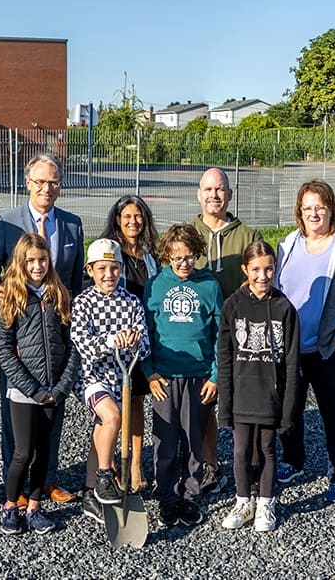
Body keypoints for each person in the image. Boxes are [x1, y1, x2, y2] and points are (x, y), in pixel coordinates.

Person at [0, 153, 84, 504]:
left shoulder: (72, 226)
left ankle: (47, 479)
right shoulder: (7, 222)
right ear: (28, 183)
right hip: (21, 334)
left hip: (56, 334)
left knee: (54, 408)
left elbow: (75, 280)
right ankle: (18, 482)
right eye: (40, 182)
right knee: (17, 411)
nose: (47, 188)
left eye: (53, 182)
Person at [274, 179, 335, 504]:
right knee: (289, 411)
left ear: (330, 209)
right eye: (307, 208)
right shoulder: (288, 244)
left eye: (320, 207)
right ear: (299, 213)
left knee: (333, 412)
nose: (314, 213)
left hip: (330, 348)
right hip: (291, 348)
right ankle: (294, 460)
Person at [0, 233, 81, 535]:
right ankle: (10, 506)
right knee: (23, 452)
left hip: (54, 391)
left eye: (42, 259)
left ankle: (34, 506)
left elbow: (73, 346)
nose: (37, 265)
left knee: (44, 451)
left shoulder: (59, 294)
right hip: (24, 391)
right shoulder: (12, 298)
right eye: (30, 260)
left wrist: (60, 387)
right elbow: (3, 349)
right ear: (21, 262)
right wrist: (32, 389)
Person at [142, 224, 223, 528]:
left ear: (197, 255)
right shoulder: (155, 286)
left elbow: (219, 335)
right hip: (164, 377)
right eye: (177, 259)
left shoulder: (210, 286)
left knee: (192, 439)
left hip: (199, 376)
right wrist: (149, 373)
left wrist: (215, 375)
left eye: (189, 257)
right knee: (165, 439)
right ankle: (166, 495)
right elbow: (145, 334)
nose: (184, 264)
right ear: (167, 257)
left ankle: (190, 495)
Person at [217, 240, 299, 532]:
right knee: (240, 451)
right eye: (255, 270)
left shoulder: (284, 308)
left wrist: (288, 408)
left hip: (269, 396)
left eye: (268, 269)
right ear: (245, 269)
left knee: (266, 447)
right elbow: (224, 357)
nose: (262, 276)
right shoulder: (233, 305)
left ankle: (266, 502)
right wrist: (224, 405)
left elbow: (291, 363)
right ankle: (243, 501)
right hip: (242, 394)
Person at [190, 167, 262, 494]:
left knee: (245, 402)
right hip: (199, 337)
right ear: (198, 194)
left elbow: (261, 280)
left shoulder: (248, 236)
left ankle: (250, 463)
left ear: (230, 195)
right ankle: (210, 464)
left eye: (220, 189)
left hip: (240, 333)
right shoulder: (187, 234)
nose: (214, 195)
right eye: (208, 189)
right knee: (205, 402)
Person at [71, 238, 150, 524]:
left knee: (103, 430)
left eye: (114, 268)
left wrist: (133, 342)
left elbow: (145, 347)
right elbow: (84, 346)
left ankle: (91, 493)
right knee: (112, 417)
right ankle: (106, 475)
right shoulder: (83, 303)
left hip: (122, 379)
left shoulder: (131, 302)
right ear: (90, 270)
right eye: (102, 268)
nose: (109, 275)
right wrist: (113, 340)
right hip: (92, 377)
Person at [100, 195, 159, 493]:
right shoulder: (109, 254)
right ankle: (107, 463)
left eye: (138, 216)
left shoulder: (151, 257)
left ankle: (135, 463)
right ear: (117, 220)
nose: (133, 222)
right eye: (127, 217)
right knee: (110, 406)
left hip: (140, 340)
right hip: (113, 341)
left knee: (135, 403)